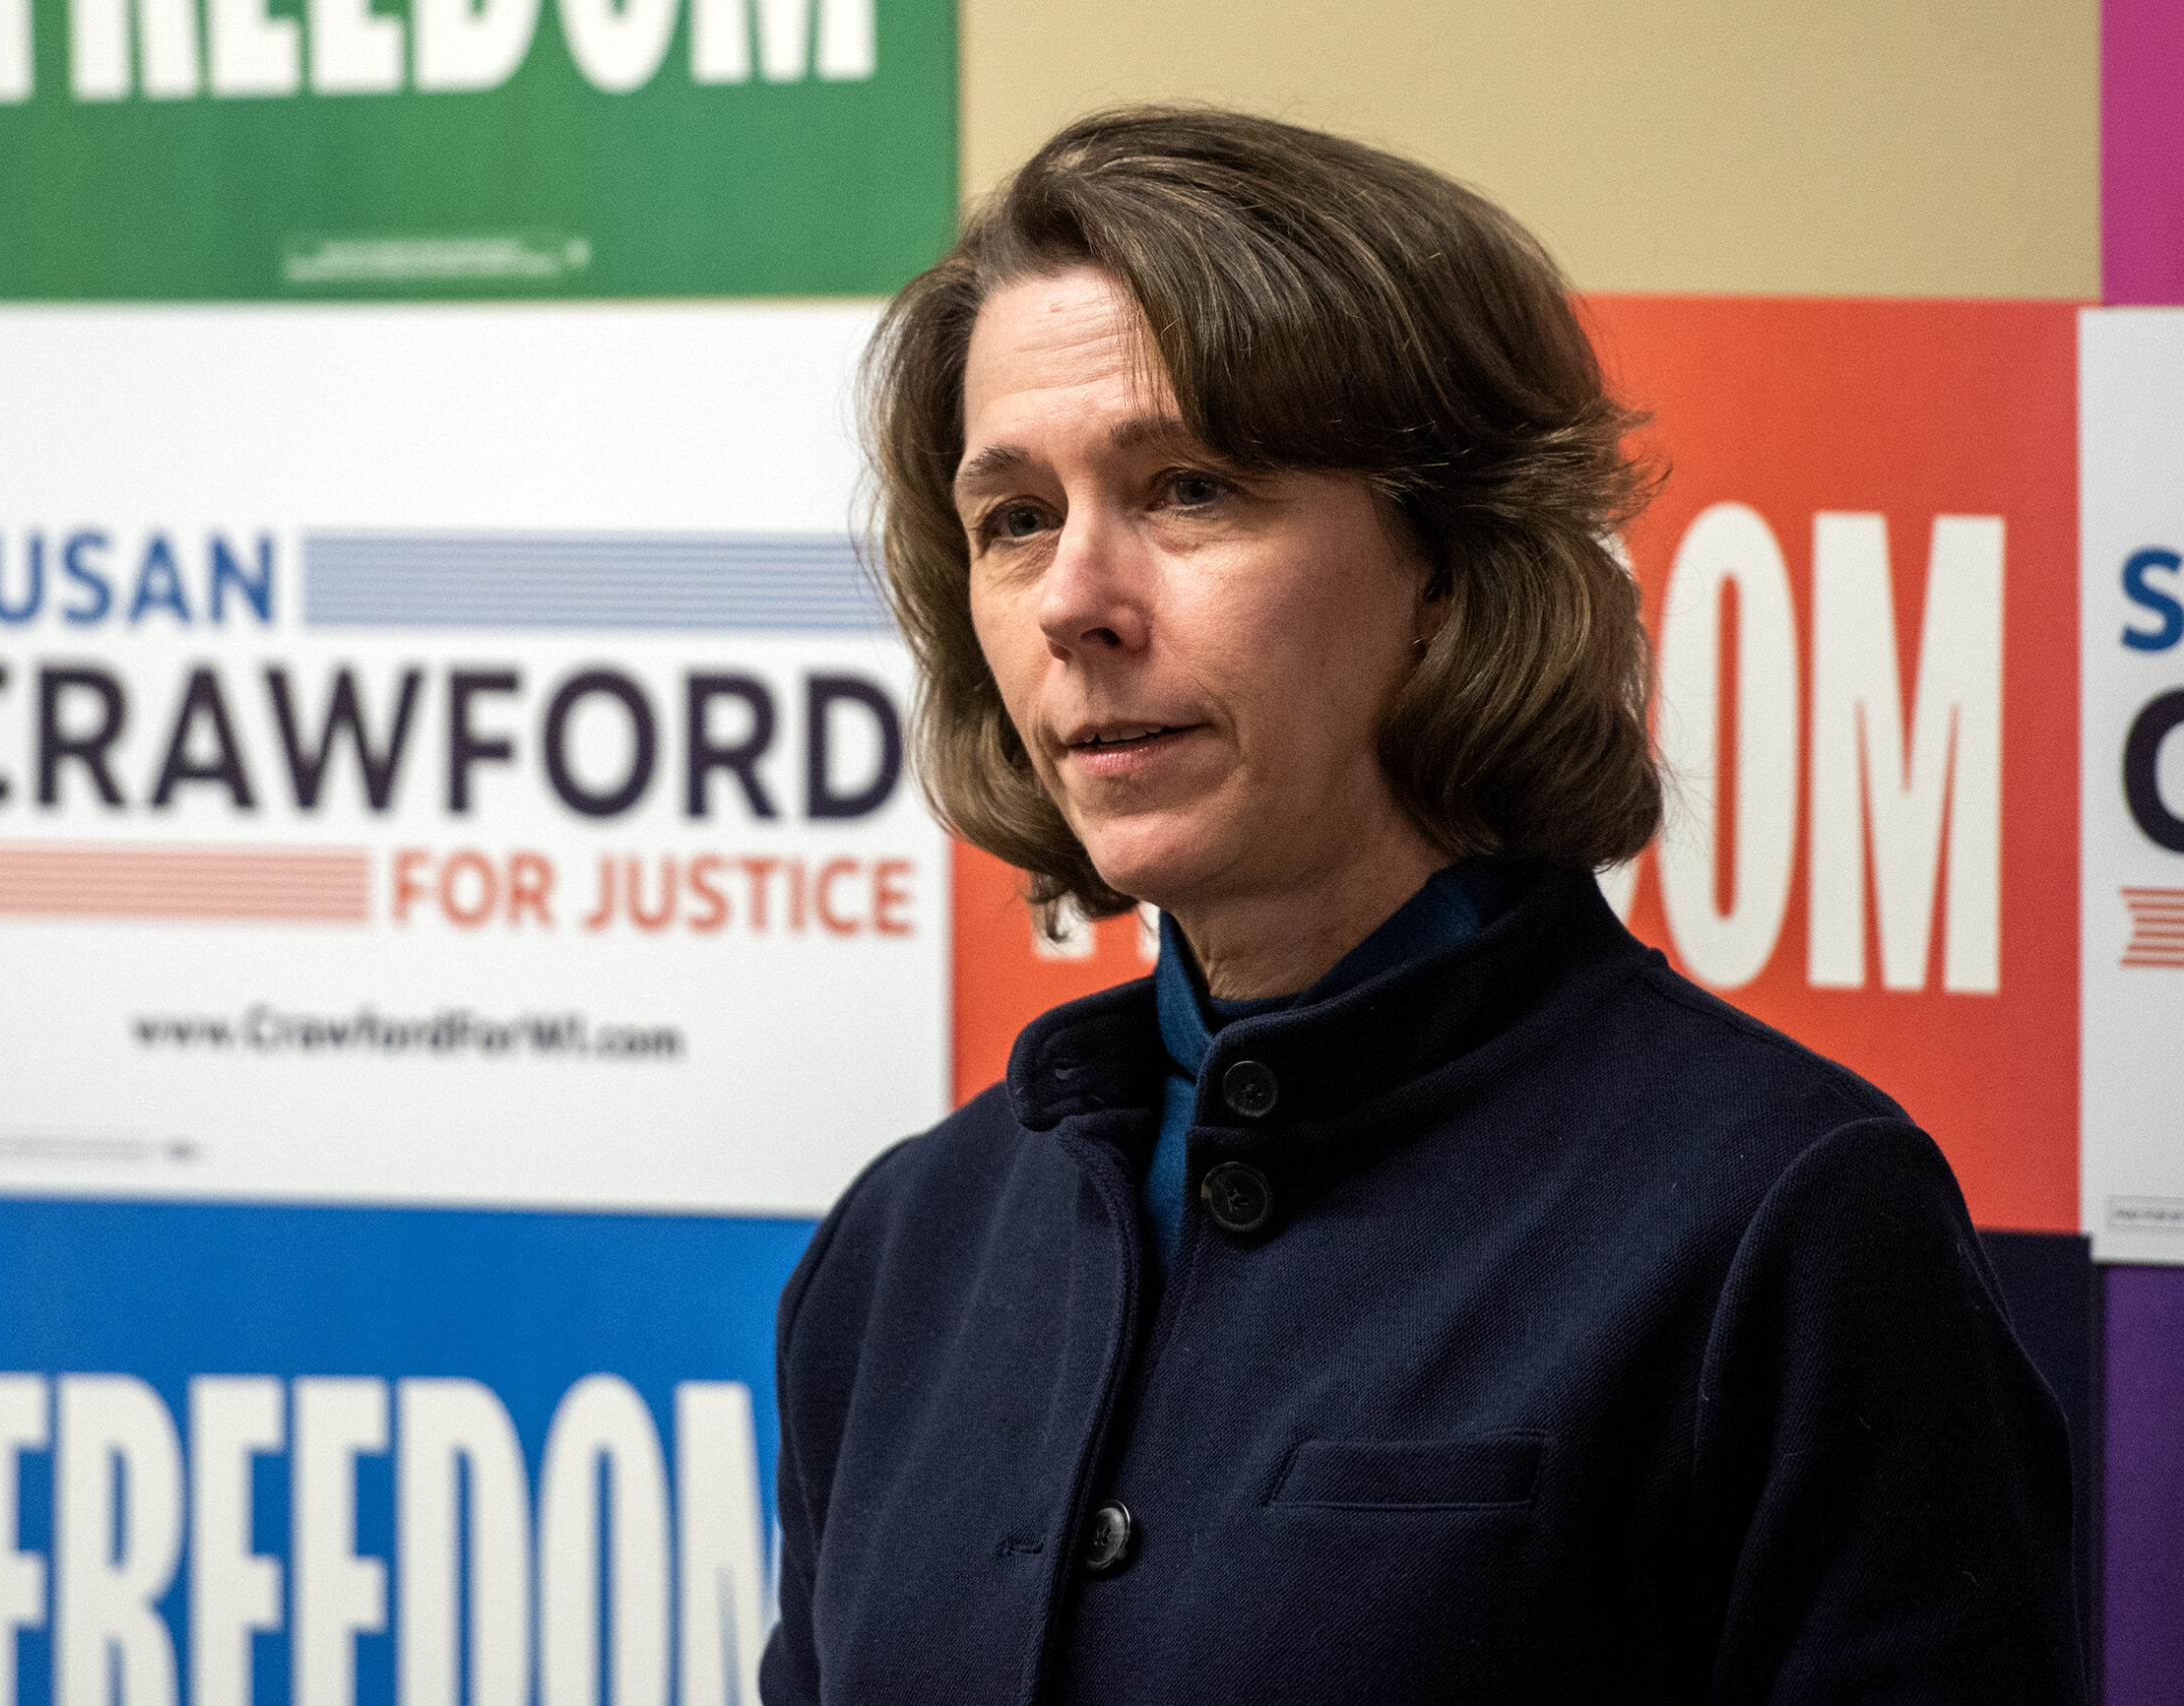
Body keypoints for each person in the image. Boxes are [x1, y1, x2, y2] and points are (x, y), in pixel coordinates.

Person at [757, 108, 2085, 1704]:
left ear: (1453, 567)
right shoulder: (908, 1247)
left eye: (1188, 488)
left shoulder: (1785, 1225)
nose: (1073, 603)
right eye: (1015, 518)